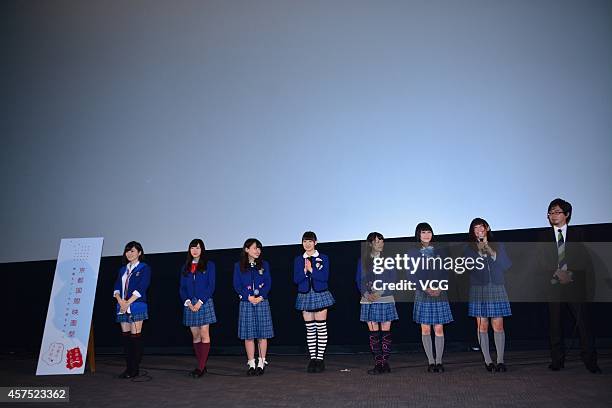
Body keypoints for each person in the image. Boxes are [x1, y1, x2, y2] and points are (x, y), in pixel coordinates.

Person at [539, 198, 600, 373]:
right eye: (550, 212)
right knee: (555, 324)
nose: (553, 215)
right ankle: (557, 360)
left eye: (557, 212)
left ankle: (590, 360)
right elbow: (541, 259)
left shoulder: (578, 233)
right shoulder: (543, 235)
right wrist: (557, 272)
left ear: (567, 214)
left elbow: (584, 258)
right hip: (553, 285)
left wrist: (569, 273)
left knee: (583, 324)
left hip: (574, 284)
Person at [465, 218, 512, 372]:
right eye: (475, 228)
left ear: (487, 228)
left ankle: (500, 360)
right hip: (479, 288)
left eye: (481, 227)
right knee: (482, 325)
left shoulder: (498, 245)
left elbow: (506, 265)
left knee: (498, 325)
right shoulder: (469, 248)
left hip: (496, 286)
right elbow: (468, 268)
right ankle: (487, 360)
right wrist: (479, 252)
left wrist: (491, 252)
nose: (479, 231)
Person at [410, 223, 453, 373]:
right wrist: (425, 288)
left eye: (429, 232)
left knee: (439, 328)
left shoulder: (440, 251)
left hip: (440, 292)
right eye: (423, 232)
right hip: (423, 292)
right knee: (426, 329)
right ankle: (430, 361)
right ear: (418, 234)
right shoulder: (413, 252)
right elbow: (411, 274)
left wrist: (440, 287)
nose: (426, 235)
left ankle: (439, 361)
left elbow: (446, 271)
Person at [356, 232, 399, 374]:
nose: (379, 244)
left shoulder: (389, 260)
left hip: (385, 297)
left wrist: (379, 293)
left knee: (386, 332)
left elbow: (393, 279)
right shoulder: (363, 260)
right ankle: (378, 363)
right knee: (374, 333)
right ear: (370, 244)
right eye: (376, 241)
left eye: (381, 241)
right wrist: (367, 294)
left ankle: (385, 363)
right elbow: (359, 279)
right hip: (369, 300)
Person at [294, 231, 335, 373]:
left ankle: (320, 359)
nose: (307, 244)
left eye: (310, 241)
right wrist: (305, 272)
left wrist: (312, 270)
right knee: (310, 329)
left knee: (321, 327)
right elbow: (296, 279)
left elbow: (325, 277)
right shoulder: (299, 259)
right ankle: (312, 359)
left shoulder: (323, 258)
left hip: (320, 294)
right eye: (305, 241)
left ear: (315, 242)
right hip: (305, 295)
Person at [233, 238, 274, 376]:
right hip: (246, 302)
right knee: (248, 335)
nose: (258, 251)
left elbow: (268, 283)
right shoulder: (238, 266)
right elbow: (237, 285)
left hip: (262, 301)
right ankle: (251, 363)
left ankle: (262, 362)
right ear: (246, 249)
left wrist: (261, 296)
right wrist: (248, 296)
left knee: (262, 334)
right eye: (255, 248)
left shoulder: (264, 265)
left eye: (259, 248)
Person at [113, 241, 151, 379]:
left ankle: (135, 368)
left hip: (136, 305)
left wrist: (128, 302)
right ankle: (128, 368)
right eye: (127, 251)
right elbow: (117, 286)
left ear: (139, 253)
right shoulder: (122, 269)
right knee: (126, 338)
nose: (129, 253)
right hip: (122, 306)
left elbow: (142, 287)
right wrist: (120, 300)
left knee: (135, 338)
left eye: (133, 251)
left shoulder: (144, 268)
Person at [179, 238, 216, 378]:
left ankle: (200, 367)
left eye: (198, 248)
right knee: (195, 335)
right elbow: (182, 288)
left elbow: (211, 286)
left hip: (204, 302)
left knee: (204, 333)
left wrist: (200, 301)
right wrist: (188, 302)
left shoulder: (209, 265)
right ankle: (201, 364)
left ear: (202, 250)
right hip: (189, 303)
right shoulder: (185, 267)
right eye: (193, 248)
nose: (195, 250)